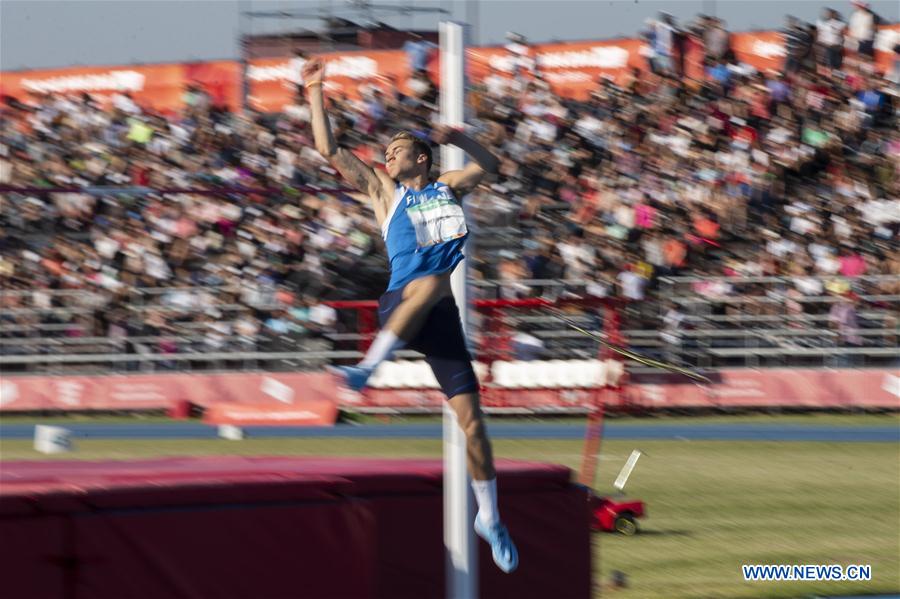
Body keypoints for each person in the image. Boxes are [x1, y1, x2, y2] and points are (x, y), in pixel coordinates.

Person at [301, 57, 518, 573]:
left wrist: (459, 138)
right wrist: (313, 89)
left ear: (420, 158)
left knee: (474, 424)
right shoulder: (383, 191)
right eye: (386, 152)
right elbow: (328, 149)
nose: (386, 155)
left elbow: (494, 166)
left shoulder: (448, 184)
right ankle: (367, 367)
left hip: (440, 316)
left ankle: (489, 518)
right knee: (428, 281)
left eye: (395, 150)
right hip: (402, 300)